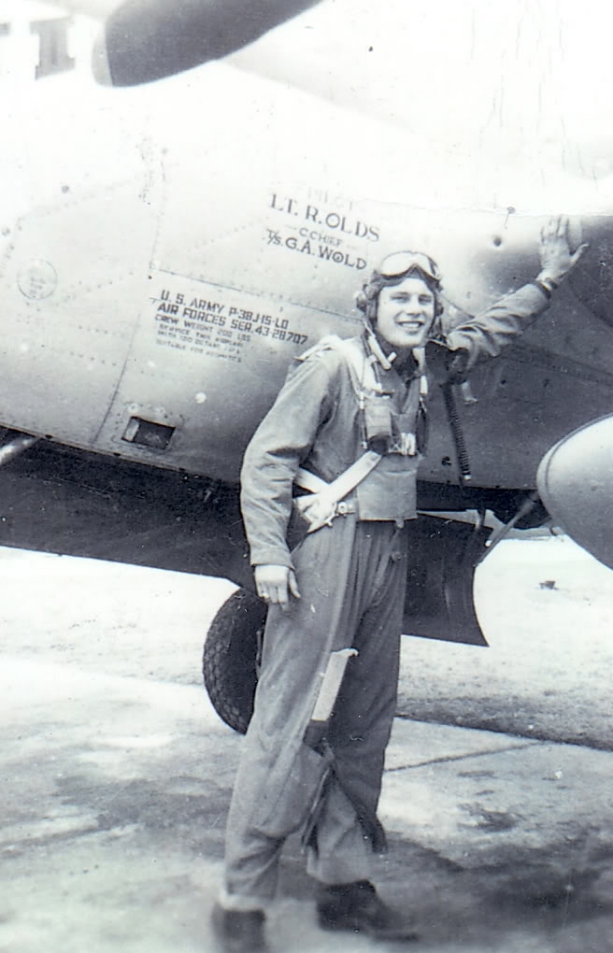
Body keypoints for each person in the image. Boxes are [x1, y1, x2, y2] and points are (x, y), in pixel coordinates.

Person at [210, 217, 587, 953]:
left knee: (364, 724)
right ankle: (242, 897)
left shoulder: (424, 368)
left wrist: (546, 280)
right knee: (287, 725)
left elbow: (493, 331)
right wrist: (268, 557)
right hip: (327, 550)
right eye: (400, 298)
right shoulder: (331, 366)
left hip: (389, 553)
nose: (413, 309)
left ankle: (344, 884)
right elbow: (267, 463)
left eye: (424, 300)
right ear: (372, 306)